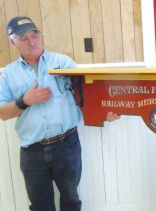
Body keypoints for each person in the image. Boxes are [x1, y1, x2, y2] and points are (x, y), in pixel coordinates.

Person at [0, 16, 119, 211]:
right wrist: (25, 101)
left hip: (67, 145)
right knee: (39, 205)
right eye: (23, 38)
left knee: (71, 199)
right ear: (13, 42)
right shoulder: (9, 74)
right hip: (32, 152)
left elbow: (87, 96)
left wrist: (105, 112)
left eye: (34, 34)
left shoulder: (63, 63)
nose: (31, 42)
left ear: (40, 35)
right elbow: (2, 113)